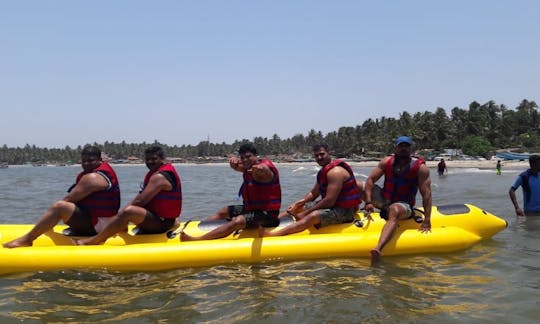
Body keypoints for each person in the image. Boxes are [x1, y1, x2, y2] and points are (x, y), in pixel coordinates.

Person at [3, 146, 121, 248]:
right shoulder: (102, 172)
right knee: (62, 208)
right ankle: (44, 230)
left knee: (60, 207)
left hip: (99, 227)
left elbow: (68, 200)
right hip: (106, 223)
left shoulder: (92, 178)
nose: (86, 164)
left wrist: (49, 222)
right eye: (84, 161)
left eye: (91, 161)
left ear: (100, 160)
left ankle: (27, 240)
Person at [75, 145, 182, 245]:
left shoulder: (159, 177)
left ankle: (96, 239)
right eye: (147, 159)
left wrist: (120, 216)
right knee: (128, 212)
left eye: (154, 159)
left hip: (163, 224)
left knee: (129, 211)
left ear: (162, 159)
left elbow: (139, 202)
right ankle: (118, 226)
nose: (150, 162)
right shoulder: (158, 173)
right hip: (163, 219)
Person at [180, 143, 281, 241]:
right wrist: (233, 164)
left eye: (248, 156)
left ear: (256, 156)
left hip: (267, 215)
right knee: (224, 211)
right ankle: (198, 230)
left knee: (238, 221)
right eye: (242, 158)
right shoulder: (248, 168)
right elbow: (238, 167)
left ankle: (198, 239)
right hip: (252, 209)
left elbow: (264, 170)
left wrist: (261, 168)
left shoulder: (264, 170)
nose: (245, 160)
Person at [259, 143, 362, 237]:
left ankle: (274, 234)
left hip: (346, 211)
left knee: (312, 216)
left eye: (322, 154)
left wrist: (306, 213)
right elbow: (314, 193)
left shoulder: (335, 172)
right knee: (297, 207)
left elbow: (329, 201)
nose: (319, 157)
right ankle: (271, 223)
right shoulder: (324, 172)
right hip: (334, 206)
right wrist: (300, 203)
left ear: (328, 153)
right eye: (316, 155)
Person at [364, 136, 432, 264]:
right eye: (401, 146)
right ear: (396, 148)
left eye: (406, 146)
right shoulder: (387, 162)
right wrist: (368, 202)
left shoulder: (420, 168)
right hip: (385, 199)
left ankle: (378, 248)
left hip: (403, 205)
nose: (403, 149)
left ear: (411, 149)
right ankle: (351, 214)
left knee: (394, 210)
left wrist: (427, 219)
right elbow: (370, 180)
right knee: (358, 185)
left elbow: (426, 194)